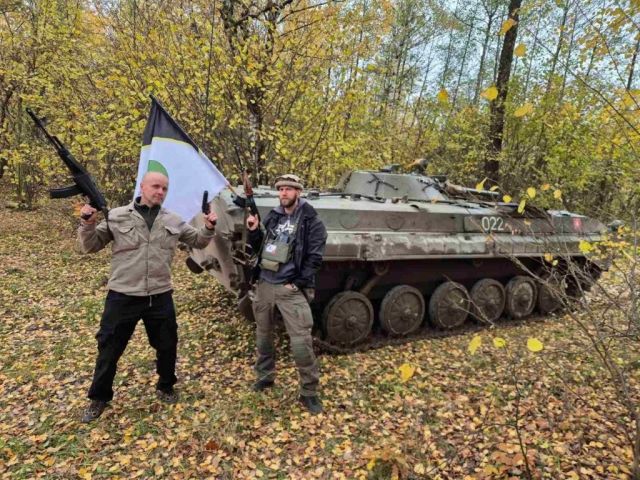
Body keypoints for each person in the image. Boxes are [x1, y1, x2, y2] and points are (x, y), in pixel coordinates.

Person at [77, 171, 218, 423]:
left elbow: (198, 241)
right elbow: (90, 246)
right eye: (155, 186)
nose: (160, 192)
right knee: (109, 348)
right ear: (142, 186)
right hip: (123, 295)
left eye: (164, 188)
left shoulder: (173, 220)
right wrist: (87, 224)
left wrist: (208, 226)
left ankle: (166, 386)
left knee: (167, 344)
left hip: (159, 295)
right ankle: (99, 397)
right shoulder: (117, 216)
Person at [246, 173, 327, 414]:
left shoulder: (311, 221)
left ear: (298, 192)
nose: (283, 193)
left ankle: (309, 391)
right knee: (263, 336)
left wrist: (297, 283)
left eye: (289, 189)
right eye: (280, 189)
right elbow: (262, 247)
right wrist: (254, 231)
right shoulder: (274, 216)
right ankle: (265, 376)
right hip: (264, 284)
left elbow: (315, 257)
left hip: (288, 288)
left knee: (301, 342)